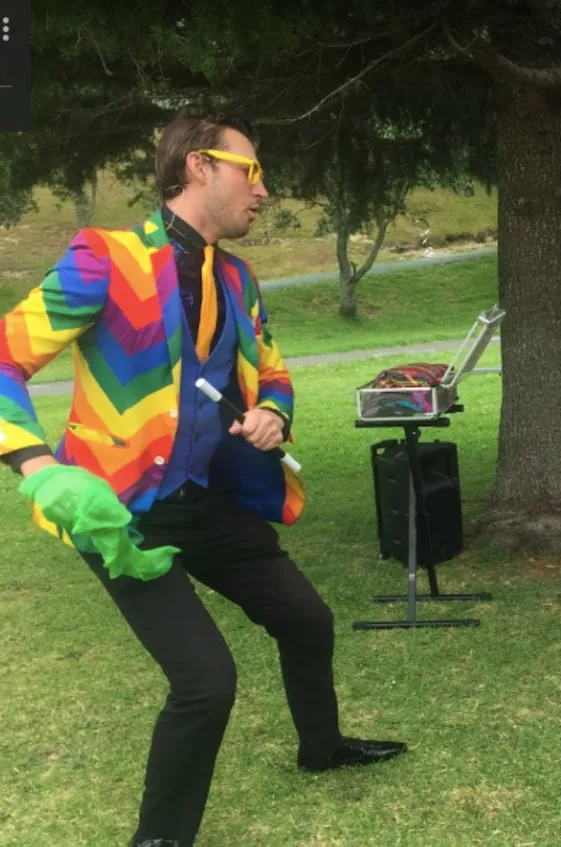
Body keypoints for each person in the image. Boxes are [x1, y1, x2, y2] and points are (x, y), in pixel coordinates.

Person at [0, 107, 405, 847]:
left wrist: (274, 415)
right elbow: (4, 358)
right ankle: (160, 839)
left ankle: (322, 748)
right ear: (198, 166)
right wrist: (36, 464)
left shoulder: (240, 279)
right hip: (119, 514)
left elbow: (275, 374)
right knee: (206, 682)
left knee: (306, 620)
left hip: (206, 498)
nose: (264, 189)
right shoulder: (105, 258)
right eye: (251, 171)